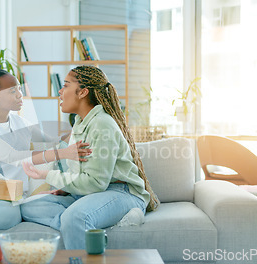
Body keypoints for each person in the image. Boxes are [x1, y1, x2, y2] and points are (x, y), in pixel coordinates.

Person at [0, 57, 91, 247]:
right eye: (12, 91)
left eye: (19, 89)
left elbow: (53, 139)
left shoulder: (20, 123)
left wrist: (83, 126)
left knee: (4, 217)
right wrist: (61, 154)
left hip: (7, 192)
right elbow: (12, 157)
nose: (19, 95)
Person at [21, 65, 160, 249]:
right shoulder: (80, 123)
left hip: (120, 192)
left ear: (83, 92)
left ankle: (78, 224)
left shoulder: (102, 124)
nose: (60, 92)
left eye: (66, 86)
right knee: (29, 206)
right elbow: (81, 171)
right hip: (89, 194)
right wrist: (67, 189)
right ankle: (85, 226)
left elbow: (96, 183)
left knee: (74, 217)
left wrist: (47, 175)